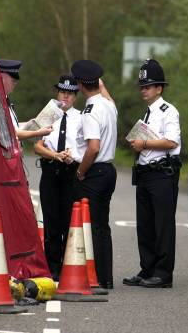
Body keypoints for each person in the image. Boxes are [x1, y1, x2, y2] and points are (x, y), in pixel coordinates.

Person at [123, 59, 182, 289]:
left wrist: (144, 143)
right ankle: (147, 268)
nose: (143, 91)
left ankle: (163, 273)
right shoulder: (148, 112)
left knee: (162, 224)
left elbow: (171, 141)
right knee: (145, 224)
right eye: (142, 87)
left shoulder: (169, 111)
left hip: (162, 173)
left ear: (159, 88)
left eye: (148, 86)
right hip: (147, 173)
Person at [71, 60, 118, 290]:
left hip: (94, 172)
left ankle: (95, 276)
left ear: (80, 85)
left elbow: (93, 147)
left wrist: (81, 172)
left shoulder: (90, 111)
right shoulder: (108, 105)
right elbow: (108, 97)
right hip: (109, 170)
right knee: (102, 225)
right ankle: (105, 275)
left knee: (89, 225)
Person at [33, 75, 82, 280]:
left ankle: (67, 264)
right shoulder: (48, 114)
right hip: (51, 169)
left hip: (71, 172)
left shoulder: (81, 117)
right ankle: (52, 266)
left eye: (70, 93)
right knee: (51, 221)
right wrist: (54, 155)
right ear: (57, 93)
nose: (65, 96)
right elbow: (36, 146)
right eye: (62, 92)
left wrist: (73, 157)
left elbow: (87, 147)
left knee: (67, 220)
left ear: (75, 96)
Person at [0, 59, 52, 141]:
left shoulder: (4, 98)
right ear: (2, 78)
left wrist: (28, 124)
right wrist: (37, 133)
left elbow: (12, 126)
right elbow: (10, 133)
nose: (15, 83)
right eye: (13, 80)